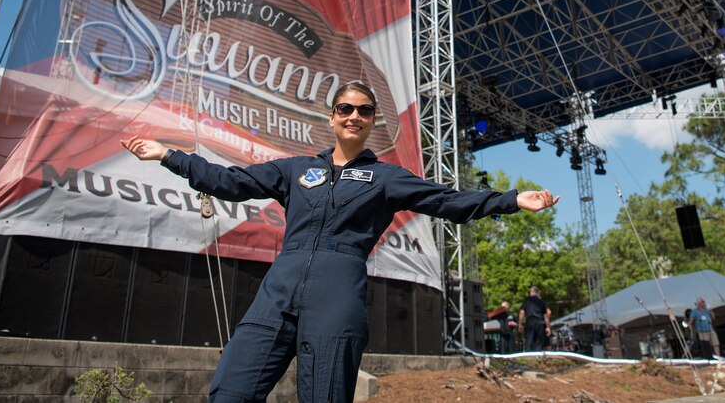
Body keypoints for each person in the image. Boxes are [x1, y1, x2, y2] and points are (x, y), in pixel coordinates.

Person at [120, 79, 560, 403]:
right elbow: (228, 181)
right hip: (278, 293)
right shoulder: (294, 170)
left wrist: (511, 200)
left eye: (364, 111)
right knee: (230, 393)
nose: (354, 116)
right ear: (332, 117)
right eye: (346, 108)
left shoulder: (385, 178)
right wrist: (169, 156)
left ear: (372, 122)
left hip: (338, 297)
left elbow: (447, 200)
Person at [519, 285, 551, 352]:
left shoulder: (526, 300)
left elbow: (522, 312)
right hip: (539, 323)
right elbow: (545, 316)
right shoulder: (541, 302)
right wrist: (548, 327)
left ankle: (528, 358)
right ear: (537, 292)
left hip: (530, 322)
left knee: (529, 342)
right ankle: (537, 358)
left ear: (531, 292)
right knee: (538, 344)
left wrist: (520, 324)